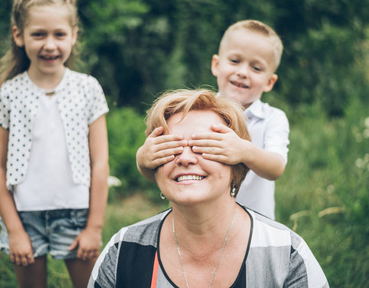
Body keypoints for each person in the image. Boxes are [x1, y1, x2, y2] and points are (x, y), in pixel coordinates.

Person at [89, 89, 328, 287]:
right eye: (171, 147)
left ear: (237, 167)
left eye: (204, 146)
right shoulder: (122, 252)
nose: (184, 158)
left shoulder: (287, 256)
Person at [0, 0, 109, 287]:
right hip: (25, 217)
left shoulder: (87, 88)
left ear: (73, 35)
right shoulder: (10, 92)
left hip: (77, 214)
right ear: (19, 35)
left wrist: (94, 226)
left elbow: (100, 161)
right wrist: (14, 230)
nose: (50, 45)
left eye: (59, 34)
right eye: (39, 34)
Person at [136, 20, 289, 219]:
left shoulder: (273, 118)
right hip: (197, 221)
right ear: (216, 65)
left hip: (253, 225)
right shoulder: (195, 113)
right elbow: (158, 172)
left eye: (256, 68)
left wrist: (243, 151)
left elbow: (276, 168)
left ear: (269, 81)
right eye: (234, 61)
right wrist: (143, 159)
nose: (242, 72)